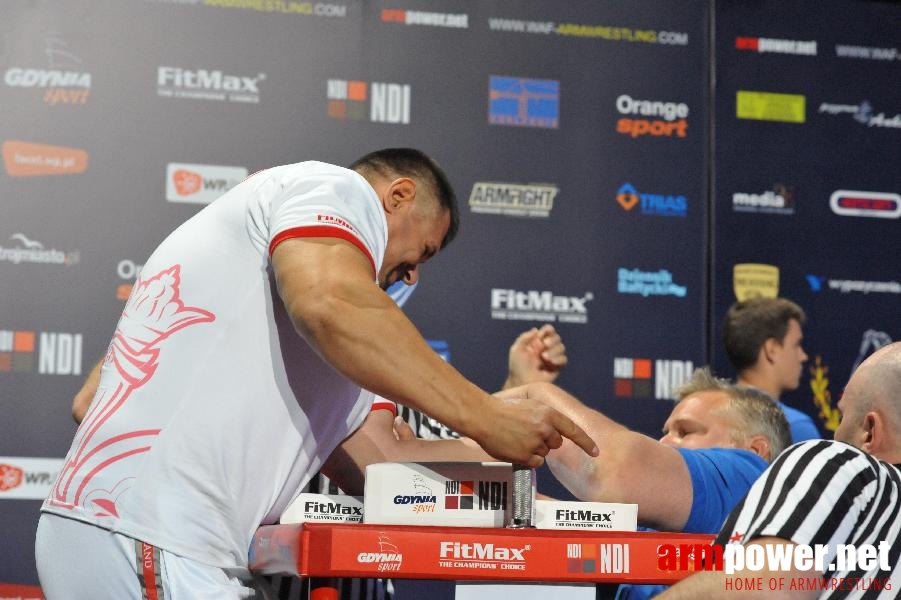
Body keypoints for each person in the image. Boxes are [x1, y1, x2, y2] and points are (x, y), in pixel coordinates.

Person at [35, 148, 597, 600]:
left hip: (152, 538)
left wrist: (549, 482)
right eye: (417, 251)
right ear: (398, 195)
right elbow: (330, 302)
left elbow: (384, 469)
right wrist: (487, 414)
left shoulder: (335, 345)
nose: (408, 273)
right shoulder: (331, 188)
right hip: (154, 534)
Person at [517, 368, 790, 599]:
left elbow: (608, 470)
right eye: (667, 432)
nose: (666, 442)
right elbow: (562, 527)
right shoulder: (654, 519)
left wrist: (535, 397)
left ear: (755, 449)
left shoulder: (752, 475)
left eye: (685, 431)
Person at [659, 342, 901, 598]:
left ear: (870, 431)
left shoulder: (842, 462)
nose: (835, 433)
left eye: (841, 419)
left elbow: (763, 588)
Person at [723, 297, 821, 442]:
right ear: (772, 349)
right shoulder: (794, 427)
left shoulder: (704, 416)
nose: (803, 356)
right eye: (797, 345)